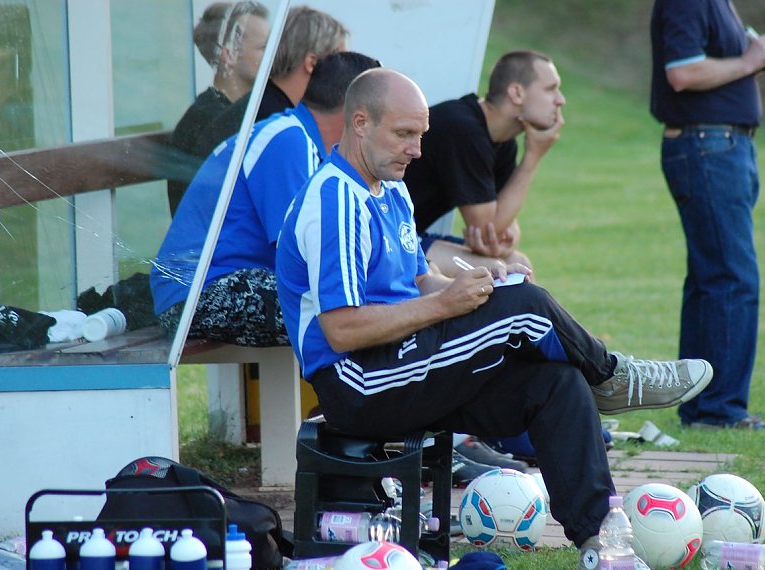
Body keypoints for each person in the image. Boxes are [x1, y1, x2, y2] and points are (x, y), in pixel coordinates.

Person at [274, 68, 713, 566]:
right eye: (404, 134)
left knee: (556, 382)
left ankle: (600, 541)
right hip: (359, 382)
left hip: (406, 363)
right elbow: (341, 329)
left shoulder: (390, 188)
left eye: (421, 135)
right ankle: (614, 376)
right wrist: (448, 305)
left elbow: (420, 281)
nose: (416, 150)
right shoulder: (335, 199)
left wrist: (477, 286)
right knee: (525, 306)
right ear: (360, 123)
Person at [150, 52, 380, 345]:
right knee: (350, 308)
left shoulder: (303, 140)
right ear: (357, 115)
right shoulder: (289, 139)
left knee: (368, 301)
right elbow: (304, 252)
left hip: (229, 283)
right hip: (196, 295)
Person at [650, 0, 765, 430]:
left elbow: (710, 63)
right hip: (709, 146)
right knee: (731, 277)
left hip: (722, 146)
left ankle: (702, 406)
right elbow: (683, 72)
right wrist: (749, 60)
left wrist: (763, 56)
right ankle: (718, 411)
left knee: (712, 279)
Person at [403, 50, 564, 278]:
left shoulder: (502, 141)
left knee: (517, 262)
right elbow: (488, 228)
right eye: (551, 89)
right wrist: (533, 156)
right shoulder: (463, 130)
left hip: (412, 237)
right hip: (386, 241)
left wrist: (504, 241)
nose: (560, 100)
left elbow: (503, 224)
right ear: (517, 93)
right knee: (500, 271)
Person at [192, 5, 349, 160]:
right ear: (312, 63)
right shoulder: (276, 124)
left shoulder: (260, 107)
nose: (344, 75)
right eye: (340, 62)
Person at [168, 1, 271, 215]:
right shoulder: (205, 123)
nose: (274, 55)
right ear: (228, 54)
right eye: (264, 47)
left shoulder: (228, 112)